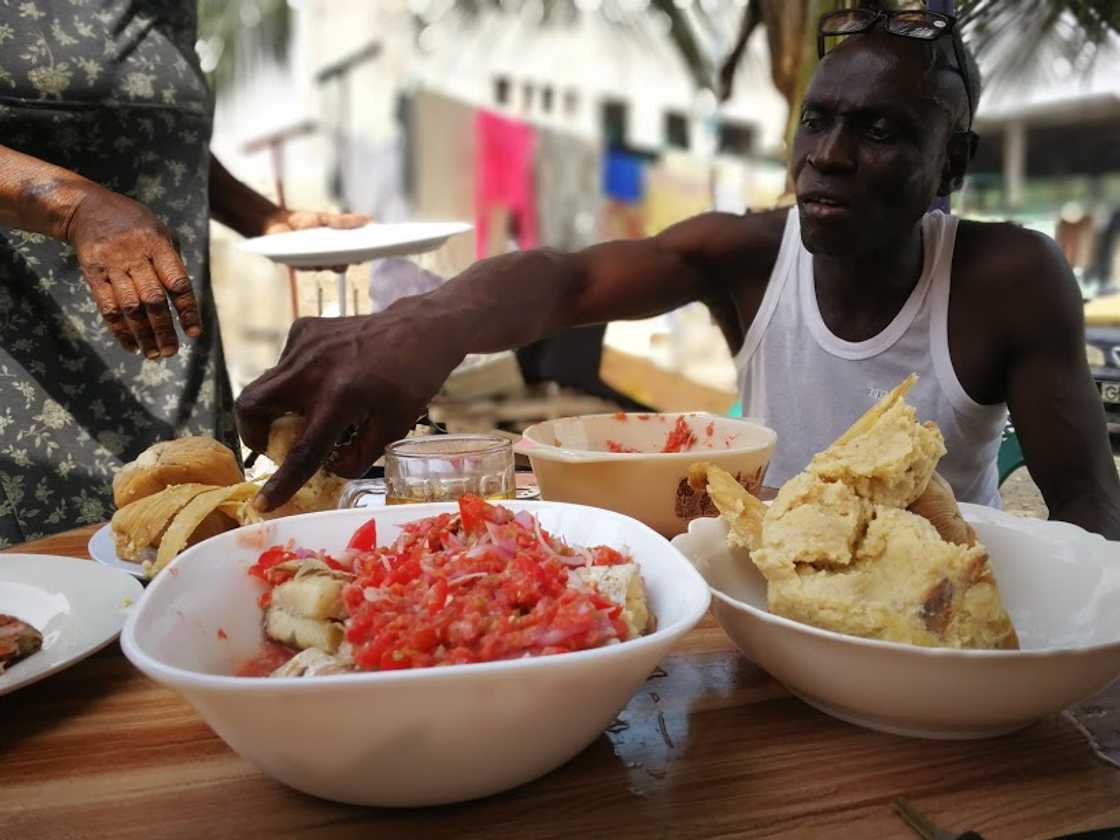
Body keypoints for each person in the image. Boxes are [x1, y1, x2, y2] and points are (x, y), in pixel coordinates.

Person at [237, 7, 1120, 539]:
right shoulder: (749, 254)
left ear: (952, 161)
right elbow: (570, 282)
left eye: (880, 131)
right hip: (772, 605)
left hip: (935, 619)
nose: (828, 155)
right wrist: (421, 324)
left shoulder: (1007, 277)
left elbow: (1087, 506)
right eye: (816, 121)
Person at [0, 1, 364, 546]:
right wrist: (72, 208)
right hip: (31, 371)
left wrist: (265, 218)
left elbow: (156, 129)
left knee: (201, 546)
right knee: (57, 580)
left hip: (175, 353)